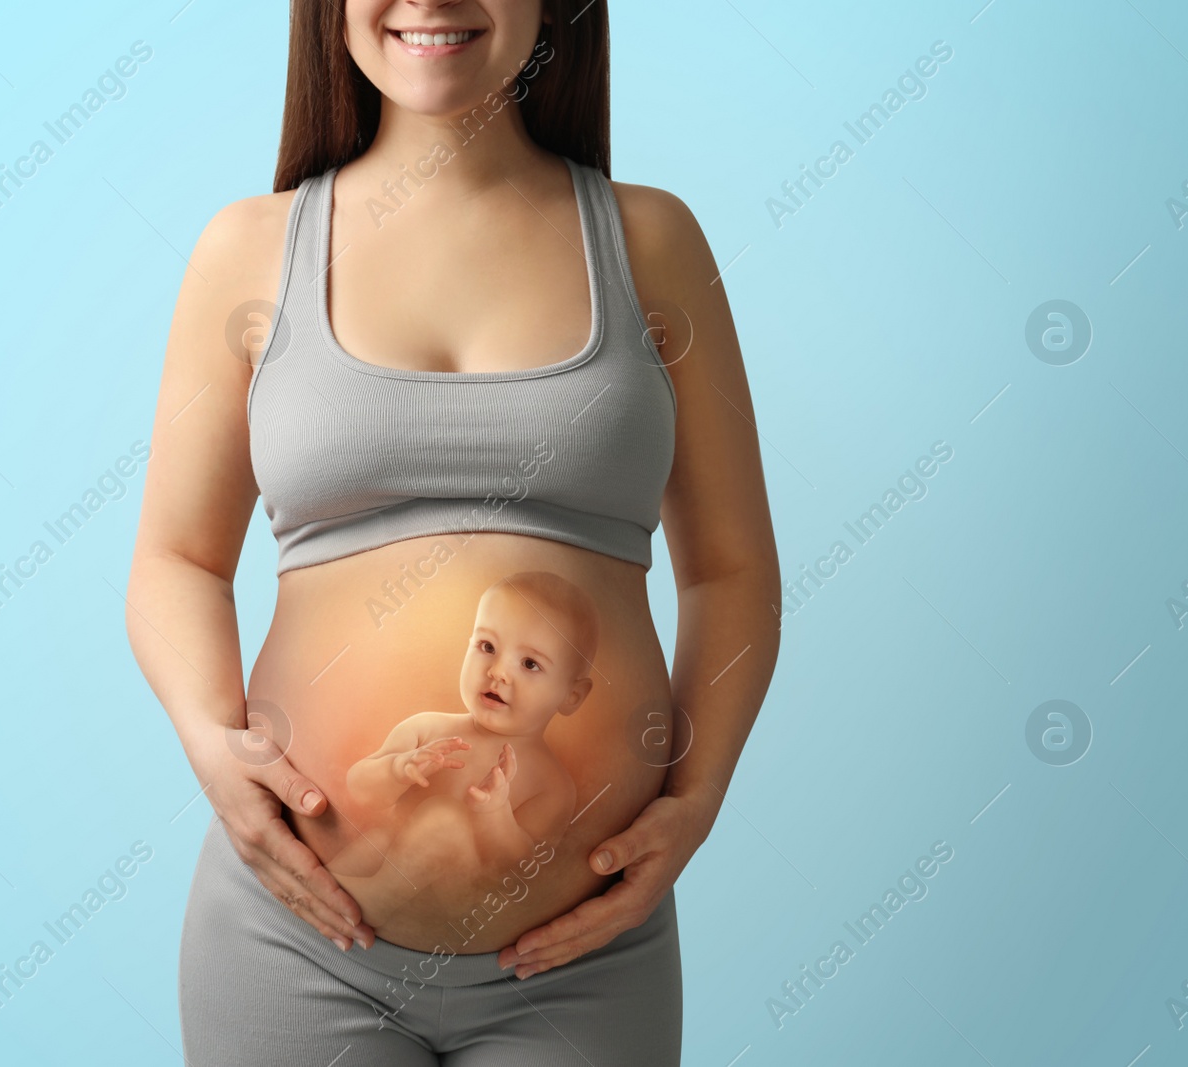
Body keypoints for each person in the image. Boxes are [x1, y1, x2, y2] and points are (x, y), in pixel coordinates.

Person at [125, 2, 781, 1063]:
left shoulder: (650, 243)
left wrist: (696, 801)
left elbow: (732, 570)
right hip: (294, 944)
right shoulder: (248, 252)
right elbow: (176, 559)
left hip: (582, 959)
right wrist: (214, 744)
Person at [330, 571, 593, 926]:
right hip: (394, 872)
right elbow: (360, 789)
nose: (498, 672)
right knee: (380, 837)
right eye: (487, 647)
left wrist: (496, 813)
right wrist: (396, 769)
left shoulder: (551, 785)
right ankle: (322, 890)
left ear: (571, 695)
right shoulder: (427, 728)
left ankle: (373, 900)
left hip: (462, 908)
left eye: (530, 664)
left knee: (445, 820)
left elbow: (524, 872)